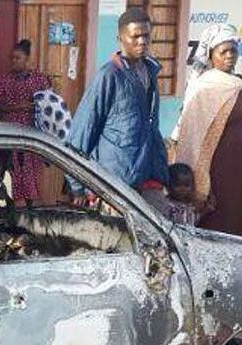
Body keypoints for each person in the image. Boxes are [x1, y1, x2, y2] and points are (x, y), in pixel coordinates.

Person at [171, 24, 242, 237]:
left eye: (233, 50)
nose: (229, 56)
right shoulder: (204, 89)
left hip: (241, 171)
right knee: (215, 222)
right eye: (223, 51)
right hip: (215, 173)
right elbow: (192, 136)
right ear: (211, 56)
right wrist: (197, 182)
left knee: (239, 221)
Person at [68, 9, 168, 205]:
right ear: (120, 38)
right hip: (115, 183)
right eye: (135, 36)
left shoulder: (151, 72)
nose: (142, 41)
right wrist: (77, 186)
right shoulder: (109, 76)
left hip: (149, 177)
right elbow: (82, 131)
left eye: (146, 36)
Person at [0, 40, 52, 206]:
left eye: (17, 58)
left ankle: (32, 206)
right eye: (12, 58)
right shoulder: (4, 80)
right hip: (10, 132)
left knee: (31, 169)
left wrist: (32, 107)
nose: (13, 61)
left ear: (27, 59)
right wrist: (22, 106)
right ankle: (15, 205)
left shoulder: (39, 79)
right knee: (13, 168)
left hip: (32, 131)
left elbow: (47, 102)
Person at [148, 163, 214, 227]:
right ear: (168, 186)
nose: (183, 189)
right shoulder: (168, 205)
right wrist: (203, 213)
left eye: (187, 185)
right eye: (177, 185)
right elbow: (185, 223)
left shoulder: (190, 204)